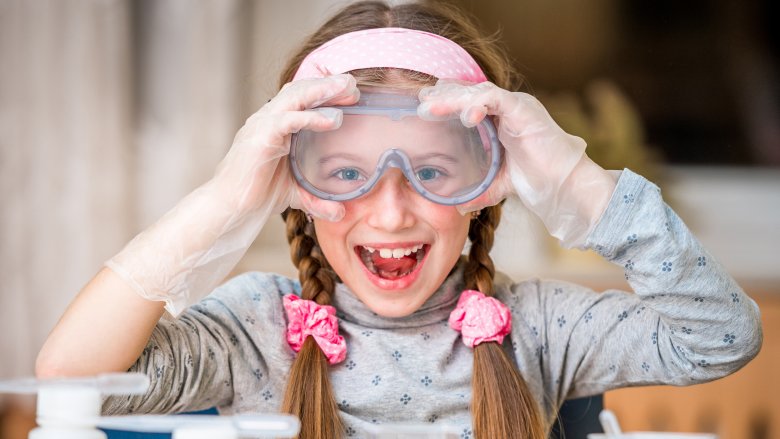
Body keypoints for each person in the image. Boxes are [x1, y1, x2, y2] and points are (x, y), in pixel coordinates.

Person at [35, 2, 762, 439]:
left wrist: (577, 181)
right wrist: (223, 201)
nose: (390, 209)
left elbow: (721, 337)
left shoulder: (539, 328)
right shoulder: (255, 330)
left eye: (434, 172)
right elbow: (72, 374)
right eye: (346, 173)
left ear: (486, 182)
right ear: (293, 178)